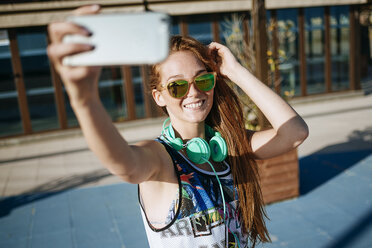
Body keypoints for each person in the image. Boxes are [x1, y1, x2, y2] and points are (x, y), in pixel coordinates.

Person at [47, 5, 309, 248]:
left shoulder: (228, 146)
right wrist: (84, 100)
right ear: (159, 96)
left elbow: (295, 133)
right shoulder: (161, 159)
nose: (193, 92)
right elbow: (123, 164)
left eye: (202, 80)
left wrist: (237, 72)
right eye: (177, 85)